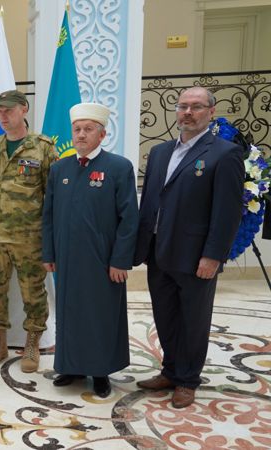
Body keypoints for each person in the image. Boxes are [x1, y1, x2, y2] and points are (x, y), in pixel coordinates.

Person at [133, 87, 244, 408]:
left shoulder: (224, 153)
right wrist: (140, 246)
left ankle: (187, 379)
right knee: (165, 315)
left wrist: (213, 255)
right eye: (183, 106)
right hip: (158, 251)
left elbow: (227, 212)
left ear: (211, 111)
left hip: (196, 256)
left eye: (196, 107)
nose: (188, 113)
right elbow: (150, 201)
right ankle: (170, 370)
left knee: (193, 320)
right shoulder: (159, 152)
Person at [42, 103, 139, 398]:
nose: (81, 135)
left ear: (102, 134)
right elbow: (48, 215)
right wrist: (49, 253)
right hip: (67, 259)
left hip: (103, 261)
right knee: (69, 313)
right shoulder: (60, 169)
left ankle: (100, 371)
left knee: (100, 315)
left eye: (88, 129)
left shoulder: (119, 167)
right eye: (77, 129)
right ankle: (70, 366)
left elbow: (129, 219)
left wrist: (120, 260)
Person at [0, 90, 56, 372]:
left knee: (33, 292)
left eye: (9, 110)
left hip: (29, 238)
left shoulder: (42, 148)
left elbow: (52, 197)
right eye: (0, 111)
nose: (3, 116)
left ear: (24, 109)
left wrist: (50, 236)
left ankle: (32, 343)